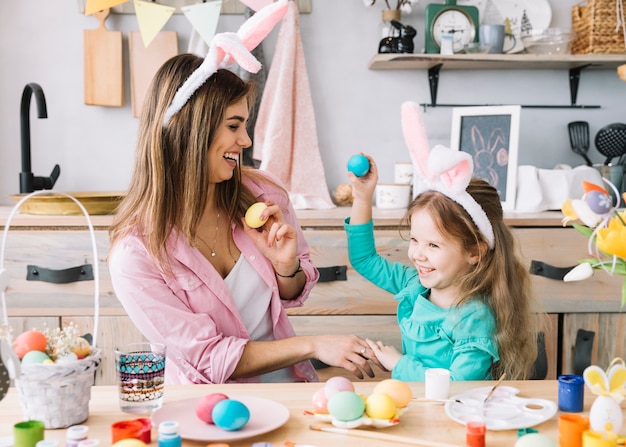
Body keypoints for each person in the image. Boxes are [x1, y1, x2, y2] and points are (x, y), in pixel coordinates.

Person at [108, 1, 376, 384]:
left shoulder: (263, 193)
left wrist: (287, 268)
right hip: (206, 412)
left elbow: (294, 292)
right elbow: (209, 358)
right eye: (234, 125)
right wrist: (314, 345)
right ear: (191, 128)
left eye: (245, 125)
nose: (246, 140)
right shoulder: (136, 255)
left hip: (289, 393)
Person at [344, 101, 540, 381]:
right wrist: (362, 197)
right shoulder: (414, 286)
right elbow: (364, 259)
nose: (417, 255)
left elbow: (456, 387)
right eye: (414, 240)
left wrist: (398, 364)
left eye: (433, 245)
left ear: (474, 252)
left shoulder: (474, 319)